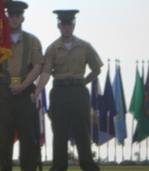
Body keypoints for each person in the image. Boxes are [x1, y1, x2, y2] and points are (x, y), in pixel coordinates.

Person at [34, 10, 101, 171]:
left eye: (70, 24)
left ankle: (88, 167)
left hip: (79, 92)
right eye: (64, 24)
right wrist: (37, 91)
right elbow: (46, 73)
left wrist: (82, 82)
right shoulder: (52, 49)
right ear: (59, 26)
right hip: (60, 92)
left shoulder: (85, 46)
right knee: (59, 133)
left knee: (83, 132)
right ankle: (58, 167)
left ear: (74, 25)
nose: (67, 27)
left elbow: (96, 69)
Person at [0, 0, 43, 171]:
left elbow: (38, 66)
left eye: (18, 16)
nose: (14, 19)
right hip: (4, 91)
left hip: (25, 91)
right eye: (12, 16)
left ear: (23, 18)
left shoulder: (33, 41)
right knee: (4, 137)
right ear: (7, 17)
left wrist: (23, 86)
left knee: (27, 137)